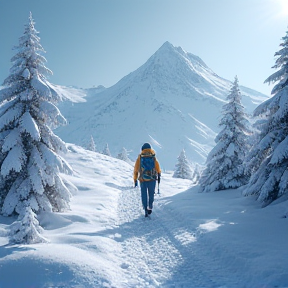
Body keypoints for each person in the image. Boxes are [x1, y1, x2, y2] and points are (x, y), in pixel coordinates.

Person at [133, 143, 161, 217]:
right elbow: (157, 167)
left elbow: (136, 170)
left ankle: (145, 210)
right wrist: (159, 174)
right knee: (151, 194)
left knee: (144, 195)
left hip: (143, 180)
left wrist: (135, 179)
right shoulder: (153, 156)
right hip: (152, 179)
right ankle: (150, 206)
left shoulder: (140, 157)